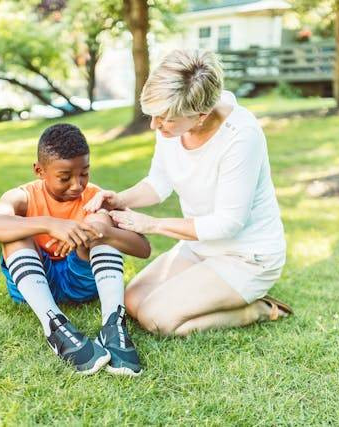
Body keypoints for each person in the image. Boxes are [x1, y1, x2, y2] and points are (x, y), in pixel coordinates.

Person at [84, 49, 292, 337]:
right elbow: (159, 182)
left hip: (246, 257)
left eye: (165, 119)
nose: (155, 125)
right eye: (154, 116)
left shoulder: (241, 136)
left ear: (201, 115)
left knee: (156, 319)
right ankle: (210, 290)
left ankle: (256, 308)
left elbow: (228, 223)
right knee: (131, 300)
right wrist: (119, 199)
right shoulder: (172, 123)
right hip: (198, 246)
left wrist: (154, 225)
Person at [0, 123, 151, 375]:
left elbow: (143, 248)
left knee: (99, 224)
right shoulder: (23, 196)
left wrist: (104, 230)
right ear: (39, 171)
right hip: (35, 283)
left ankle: (113, 325)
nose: (77, 185)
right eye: (65, 177)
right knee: (15, 232)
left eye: (84, 173)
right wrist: (48, 224)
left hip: (80, 281)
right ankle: (54, 325)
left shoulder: (97, 197)